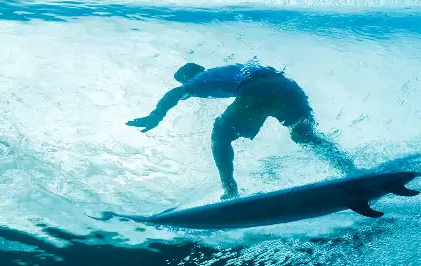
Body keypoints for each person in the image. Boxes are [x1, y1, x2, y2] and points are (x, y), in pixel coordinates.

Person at [126, 60, 356, 199]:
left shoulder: (201, 79)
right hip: (288, 87)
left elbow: (176, 94)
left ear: (188, 76)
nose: (186, 87)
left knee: (221, 133)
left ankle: (230, 190)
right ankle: (351, 170)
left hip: (261, 88)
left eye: (183, 81)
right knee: (303, 135)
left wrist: (156, 114)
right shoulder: (230, 72)